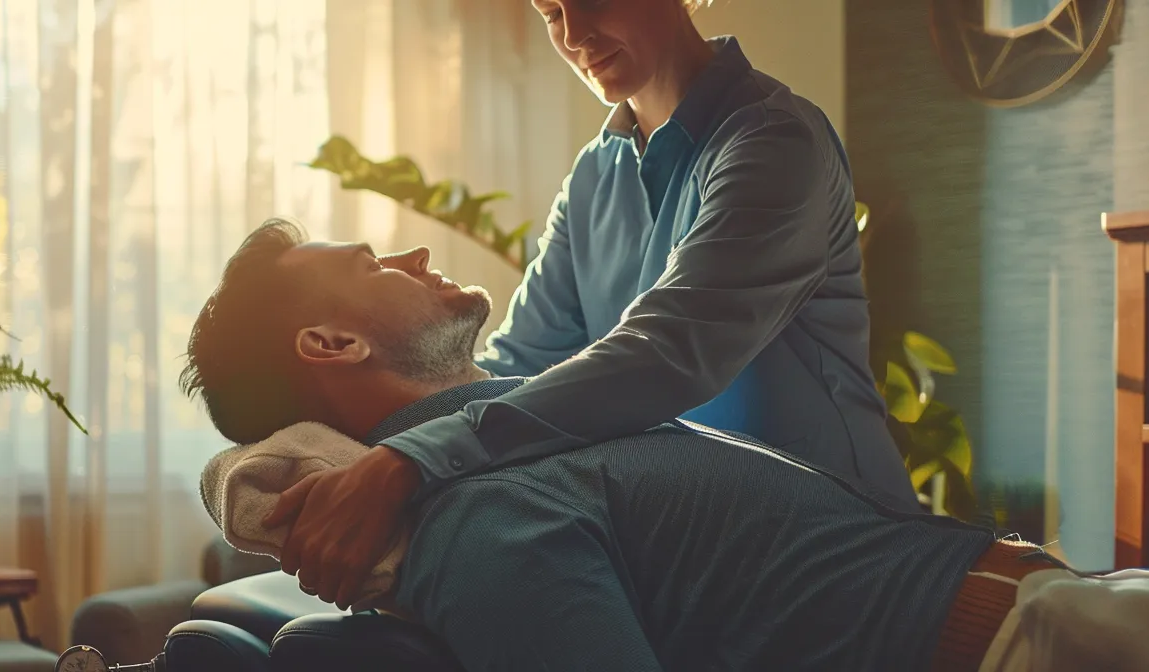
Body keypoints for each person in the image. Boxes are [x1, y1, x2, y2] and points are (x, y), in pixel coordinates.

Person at [183, 222, 1149, 671]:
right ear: (329, 338)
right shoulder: (478, 519)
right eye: (371, 262)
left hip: (1102, 610)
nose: (413, 254)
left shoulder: (526, 428)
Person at [262, 0, 918, 608]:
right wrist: (296, 456)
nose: (574, 36)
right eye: (550, 10)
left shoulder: (774, 142)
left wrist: (413, 460)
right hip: (714, 566)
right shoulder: (596, 175)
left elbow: (668, 355)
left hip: (853, 554)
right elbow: (512, 368)